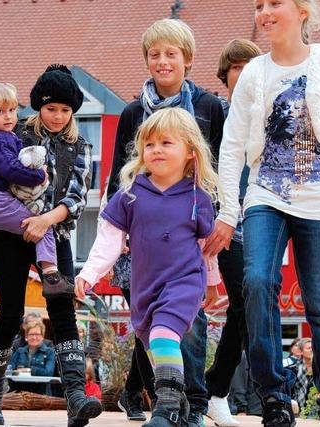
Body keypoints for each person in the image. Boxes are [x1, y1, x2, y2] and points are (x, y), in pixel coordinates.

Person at [212, 1, 320, 426]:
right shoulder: (253, 74)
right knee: (258, 281)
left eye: (274, 3)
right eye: (259, 5)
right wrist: (229, 211)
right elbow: (231, 148)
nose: (264, 12)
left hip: (319, 198)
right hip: (266, 194)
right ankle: (274, 397)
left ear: (302, 11)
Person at [106, 19, 225, 427]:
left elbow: (218, 168)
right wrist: (116, 232)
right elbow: (118, 174)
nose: (162, 61)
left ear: (187, 60)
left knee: (186, 321)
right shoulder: (132, 112)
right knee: (146, 320)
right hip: (140, 229)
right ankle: (142, 393)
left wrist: (222, 222)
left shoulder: (209, 107)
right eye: (155, 54)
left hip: (190, 227)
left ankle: (187, 403)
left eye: (171, 53)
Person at [76, 107, 220, 427]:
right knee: (153, 344)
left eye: (166, 143)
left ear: (190, 153)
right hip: (145, 287)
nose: (156, 149)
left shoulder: (199, 199)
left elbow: (207, 250)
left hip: (184, 281)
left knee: (164, 332)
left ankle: (165, 407)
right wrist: (89, 273)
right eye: (149, 144)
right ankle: (178, 403)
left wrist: (211, 283)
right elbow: (109, 239)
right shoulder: (130, 194)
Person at [0, 64, 102, 426]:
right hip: (13, 234)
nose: (58, 116)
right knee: (12, 313)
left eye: (65, 110)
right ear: (38, 108)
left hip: (55, 233)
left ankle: (76, 396)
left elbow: (77, 197)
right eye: (51, 109)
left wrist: (45, 220)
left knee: (63, 311)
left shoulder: (80, 146)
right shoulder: (16, 133)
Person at [0, 81, 69, 339]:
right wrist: (38, 176)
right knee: (41, 225)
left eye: (12, 110)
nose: (8, 117)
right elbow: (9, 170)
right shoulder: (0, 138)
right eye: (0, 112)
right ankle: (51, 275)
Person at [205, 38, 262, 427]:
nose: (242, 74)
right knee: (242, 305)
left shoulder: (268, 115)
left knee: (252, 307)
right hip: (221, 222)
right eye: (236, 67)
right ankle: (214, 390)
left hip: (262, 220)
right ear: (225, 74)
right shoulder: (214, 113)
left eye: (249, 66)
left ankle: (212, 388)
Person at [9, 320, 56, 395]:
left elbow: (48, 372)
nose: (34, 337)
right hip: (19, 395)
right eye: (31, 334)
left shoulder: (50, 352)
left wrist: (29, 370)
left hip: (41, 395)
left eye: (37, 334)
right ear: (26, 336)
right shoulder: (19, 351)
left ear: (42, 336)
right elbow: (10, 371)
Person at [291, 338, 314, 414]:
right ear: (301, 352)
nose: (311, 350)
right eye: (309, 348)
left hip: (316, 409)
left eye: (313, 348)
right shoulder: (295, 368)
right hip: (298, 408)